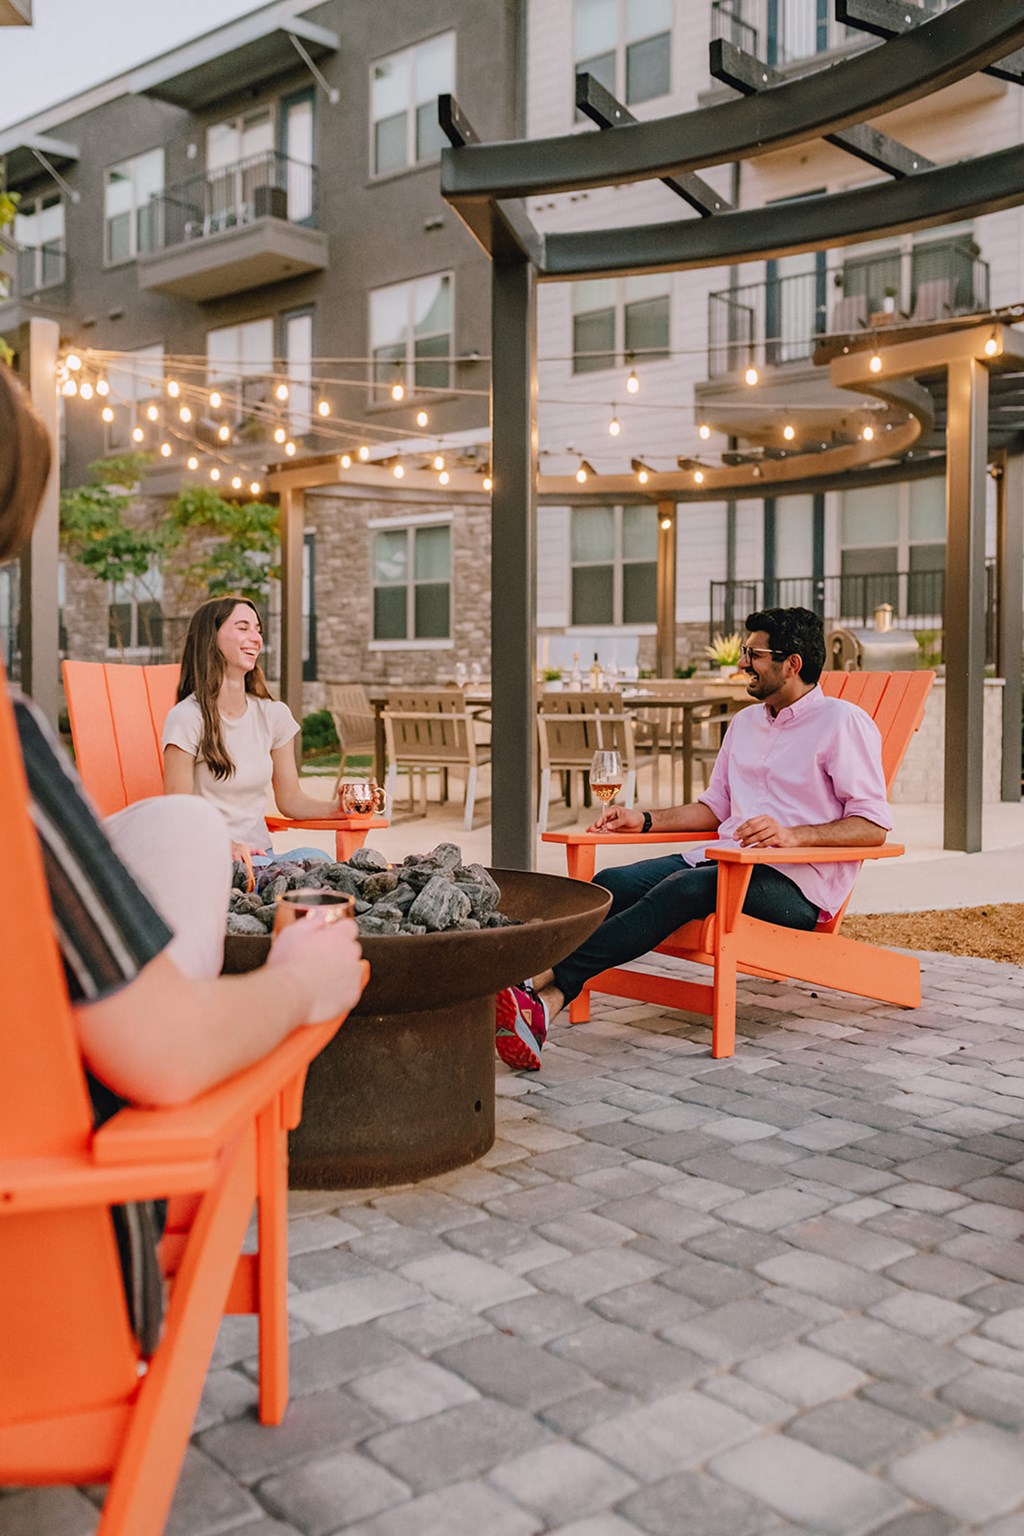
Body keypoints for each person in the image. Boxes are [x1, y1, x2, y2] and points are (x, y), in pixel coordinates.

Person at [495, 606, 892, 1071]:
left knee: (683, 889)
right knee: (608, 884)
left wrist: (791, 835)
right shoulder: (745, 724)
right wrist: (643, 820)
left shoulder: (842, 723)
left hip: (796, 885)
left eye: (754, 654)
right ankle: (547, 1001)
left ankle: (535, 981)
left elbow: (873, 825)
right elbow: (715, 809)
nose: (743, 662)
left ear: (793, 663)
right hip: (720, 861)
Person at [163, 594, 347, 863]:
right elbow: (178, 811)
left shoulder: (273, 715)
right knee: (298, 881)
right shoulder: (188, 718)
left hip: (264, 860)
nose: (256, 638)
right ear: (211, 638)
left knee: (318, 859)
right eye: (243, 627)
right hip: (213, 859)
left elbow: (291, 799)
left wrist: (338, 809)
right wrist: (225, 845)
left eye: (258, 630)